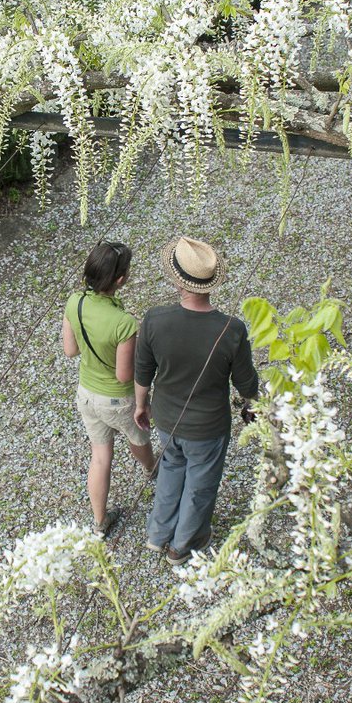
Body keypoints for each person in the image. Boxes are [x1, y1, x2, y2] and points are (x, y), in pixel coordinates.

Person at [134, 236, 258, 566]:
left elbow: (143, 370)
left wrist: (140, 405)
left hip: (166, 419)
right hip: (207, 427)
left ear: (177, 280)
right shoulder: (231, 329)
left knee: (171, 469)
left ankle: (158, 535)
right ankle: (183, 544)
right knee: (200, 485)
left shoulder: (154, 319)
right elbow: (246, 383)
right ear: (210, 284)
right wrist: (253, 402)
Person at [63, 241, 157, 537]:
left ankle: (100, 521)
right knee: (137, 435)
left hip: (86, 395)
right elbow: (123, 374)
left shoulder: (74, 302)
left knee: (101, 457)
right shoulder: (124, 323)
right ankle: (152, 468)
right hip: (117, 400)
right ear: (120, 280)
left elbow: (69, 350)